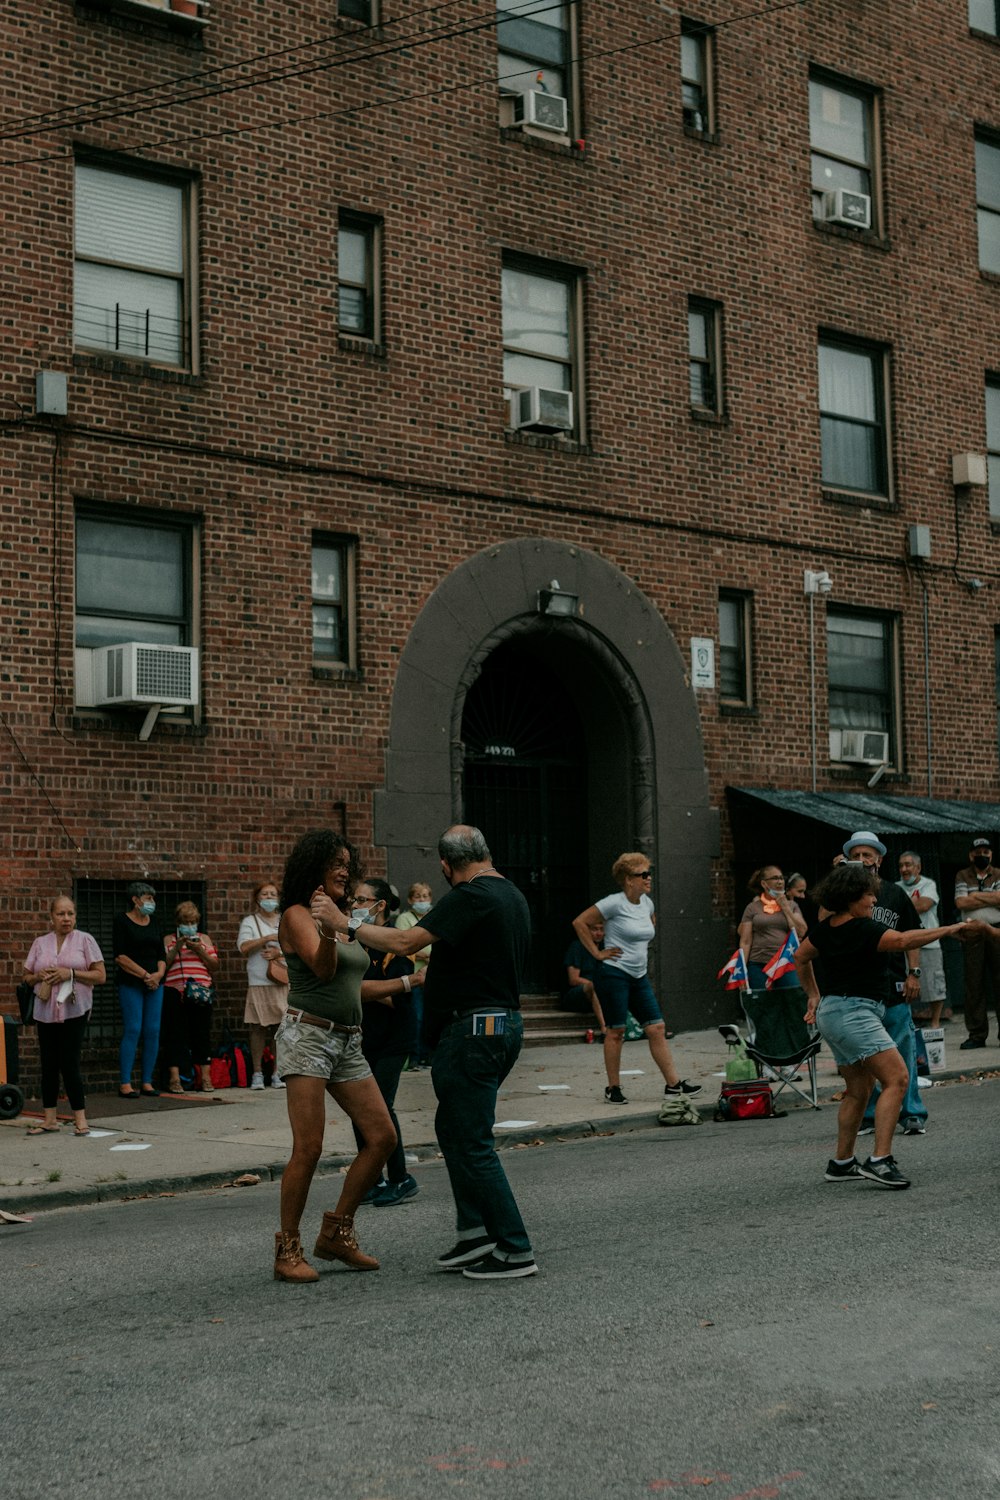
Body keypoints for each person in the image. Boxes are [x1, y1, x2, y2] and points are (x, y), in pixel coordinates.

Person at [317, 825, 537, 1280]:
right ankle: (475, 1233)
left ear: (444, 865)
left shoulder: (470, 894)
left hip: (474, 1030)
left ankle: (515, 1248)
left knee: (472, 1141)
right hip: (494, 1027)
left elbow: (404, 942)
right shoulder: (510, 893)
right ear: (485, 851)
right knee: (454, 1131)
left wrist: (346, 923)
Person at [796, 861, 970, 1189]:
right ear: (850, 897)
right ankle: (880, 1160)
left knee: (858, 1091)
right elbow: (904, 941)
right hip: (856, 1013)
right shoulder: (863, 928)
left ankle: (842, 1162)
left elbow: (800, 957)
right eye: (868, 895)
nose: (874, 901)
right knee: (898, 1078)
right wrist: (949, 930)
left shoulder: (825, 927)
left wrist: (813, 996)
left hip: (832, 1012)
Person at [272, 830, 397, 1285]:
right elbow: (323, 971)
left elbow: (351, 979)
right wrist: (328, 926)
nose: (345, 870)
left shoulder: (341, 916)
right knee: (309, 1148)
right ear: (314, 868)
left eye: (348, 863)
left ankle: (336, 1233)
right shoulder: (297, 915)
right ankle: (287, 1249)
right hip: (308, 1036)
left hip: (347, 1041)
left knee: (382, 1136)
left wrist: (404, 982)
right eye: (336, 863)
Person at [571, 854, 702, 1106]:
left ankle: (674, 1085)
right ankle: (613, 1087)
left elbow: (649, 925)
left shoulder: (647, 904)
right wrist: (597, 953)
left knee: (656, 1028)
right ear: (628, 880)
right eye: (643, 874)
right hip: (613, 974)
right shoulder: (613, 903)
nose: (648, 878)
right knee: (616, 1031)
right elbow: (579, 922)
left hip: (638, 975)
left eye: (648, 873)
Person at [835, 833, 927, 1138]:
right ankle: (871, 1115)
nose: (862, 860)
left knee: (903, 1051)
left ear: (879, 860)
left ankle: (912, 1113)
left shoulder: (895, 894)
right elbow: (821, 929)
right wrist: (837, 879)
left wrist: (914, 973)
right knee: (865, 1060)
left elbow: (912, 934)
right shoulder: (842, 898)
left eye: (867, 855)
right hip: (858, 991)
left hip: (892, 986)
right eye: (856, 855)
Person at [350, 877, 422, 1208]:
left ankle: (400, 1178)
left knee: (380, 1107)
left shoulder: (394, 946)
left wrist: (367, 989)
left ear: (380, 907)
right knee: (358, 1109)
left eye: (363, 900)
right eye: (354, 899)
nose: (355, 905)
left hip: (395, 1038)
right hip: (364, 1038)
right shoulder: (354, 943)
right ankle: (371, 1179)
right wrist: (393, 986)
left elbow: (403, 1002)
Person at [21, 895, 105, 1136]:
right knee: (48, 1063)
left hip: (74, 1009)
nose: (66, 919)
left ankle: (80, 1119)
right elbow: (26, 976)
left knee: (69, 1062)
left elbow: (100, 976)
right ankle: (49, 1120)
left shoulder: (85, 940)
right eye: (61, 914)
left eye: (70, 913)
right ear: (51, 917)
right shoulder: (40, 943)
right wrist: (39, 976)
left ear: (75, 916)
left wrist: (70, 973)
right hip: (45, 1009)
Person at [113, 881, 166, 1099]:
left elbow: (161, 954)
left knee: (152, 1030)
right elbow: (120, 956)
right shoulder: (122, 921)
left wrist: (158, 975)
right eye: (147, 898)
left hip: (156, 983)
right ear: (135, 900)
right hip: (132, 982)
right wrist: (145, 975)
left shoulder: (155, 922)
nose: (151, 902)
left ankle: (147, 1081)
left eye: (152, 899)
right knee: (133, 1028)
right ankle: (125, 1082)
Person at [162, 901, 219, 1094]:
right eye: (186, 922)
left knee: (201, 1034)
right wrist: (177, 947)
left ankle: (206, 1078)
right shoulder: (168, 939)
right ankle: (175, 1078)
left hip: (200, 991)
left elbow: (214, 965)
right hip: (175, 991)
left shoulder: (204, 939)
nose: (189, 925)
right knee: (174, 1034)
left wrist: (199, 950)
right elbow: (164, 966)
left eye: (193, 921)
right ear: (178, 923)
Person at [237, 881, 290, 1089]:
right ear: (257, 898)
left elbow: (297, 948)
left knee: (281, 1028)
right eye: (265, 894)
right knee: (258, 1027)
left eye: (273, 894)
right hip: (259, 980)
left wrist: (279, 953)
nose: (269, 898)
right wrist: (267, 938)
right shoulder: (250, 922)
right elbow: (243, 947)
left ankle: (278, 1072)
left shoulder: (285, 920)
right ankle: (257, 1073)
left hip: (282, 978)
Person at [954, 837, 1000, 1050]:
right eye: (978, 851)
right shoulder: (962, 875)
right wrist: (990, 896)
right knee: (973, 984)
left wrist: (976, 895)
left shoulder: (998, 873)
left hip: (995, 929)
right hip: (971, 932)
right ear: (971, 855)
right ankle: (977, 1034)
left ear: (991, 854)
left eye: (986, 851)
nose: (982, 855)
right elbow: (961, 902)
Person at [897, 851, 947, 1028]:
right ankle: (907, 1021)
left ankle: (935, 1022)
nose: (904, 869)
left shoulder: (929, 884)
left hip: (928, 942)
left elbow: (924, 905)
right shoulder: (896, 886)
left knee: (934, 984)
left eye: (908, 865)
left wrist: (902, 907)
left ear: (918, 867)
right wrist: (910, 905)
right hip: (902, 943)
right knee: (904, 985)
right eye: (901, 865)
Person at [738, 866, 808, 990]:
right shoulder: (752, 907)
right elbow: (745, 941)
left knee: (792, 999)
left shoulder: (792, 905)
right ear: (764, 883)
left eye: (781, 878)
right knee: (762, 1002)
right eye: (775, 878)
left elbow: (801, 931)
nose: (780, 882)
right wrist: (742, 970)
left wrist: (785, 908)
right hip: (758, 963)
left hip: (785, 962)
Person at [394, 881, 434, 1068]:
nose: (422, 900)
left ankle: (428, 1054)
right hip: (414, 973)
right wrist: (421, 955)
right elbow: (402, 945)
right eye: (418, 897)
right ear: (410, 900)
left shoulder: (433, 917)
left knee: (430, 1015)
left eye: (425, 896)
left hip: (432, 974)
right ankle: (414, 1057)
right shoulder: (405, 919)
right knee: (416, 1015)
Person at [561, 918, 607, 1033]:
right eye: (595, 929)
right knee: (592, 986)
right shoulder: (577, 947)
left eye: (601, 929)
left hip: (599, 995)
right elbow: (573, 979)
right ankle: (604, 1028)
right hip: (576, 995)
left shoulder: (605, 948)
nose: (599, 933)